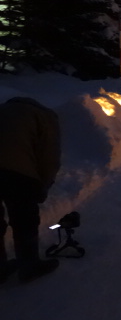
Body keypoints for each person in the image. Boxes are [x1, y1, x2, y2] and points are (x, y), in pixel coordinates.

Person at [0, 97, 61, 284]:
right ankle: (29, 266)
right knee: (24, 217)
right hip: (17, 171)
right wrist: (43, 185)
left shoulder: (3, 110)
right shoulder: (45, 116)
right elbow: (49, 157)